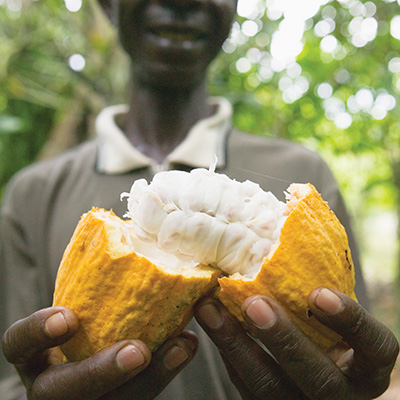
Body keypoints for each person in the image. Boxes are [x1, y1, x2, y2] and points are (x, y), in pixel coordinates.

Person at [0, 0, 398, 398]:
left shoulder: (307, 175)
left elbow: (343, 349)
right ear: (108, 5)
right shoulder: (33, 196)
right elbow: (13, 380)